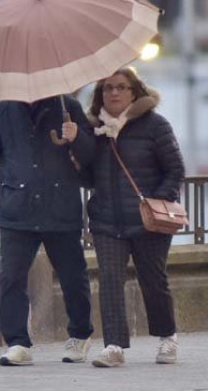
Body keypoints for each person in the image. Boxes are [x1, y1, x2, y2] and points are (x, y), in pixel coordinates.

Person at [0, 94, 96, 366]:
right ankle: (17, 342)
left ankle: (80, 334)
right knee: (12, 278)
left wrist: (78, 137)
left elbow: (91, 157)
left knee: (73, 276)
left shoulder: (67, 107)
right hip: (18, 210)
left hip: (61, 207)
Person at [84, 67, 185, 368]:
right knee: (110, 283)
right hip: (106, 220)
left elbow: (175, 169)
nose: (113, 93)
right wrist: (73, 147)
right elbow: (85, 176)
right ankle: (114, 346)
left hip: (147, 222)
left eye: (120, 87)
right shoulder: (94, 131)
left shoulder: (155, 125)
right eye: (107, 88)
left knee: (153, 281)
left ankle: (167, 337)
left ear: (134, 91)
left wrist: (158, 201)